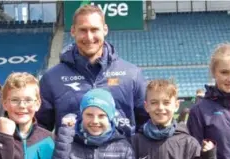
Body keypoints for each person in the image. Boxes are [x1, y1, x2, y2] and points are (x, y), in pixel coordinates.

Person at [37, 4, 148, 137]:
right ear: (73, 31)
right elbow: (39, 130)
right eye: (83, 30)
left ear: (105, 29)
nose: (89, 37)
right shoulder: (52, 78)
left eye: (94, 29)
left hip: (122, 156)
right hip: (70, 157)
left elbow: (147, 124)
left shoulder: (132, 75)